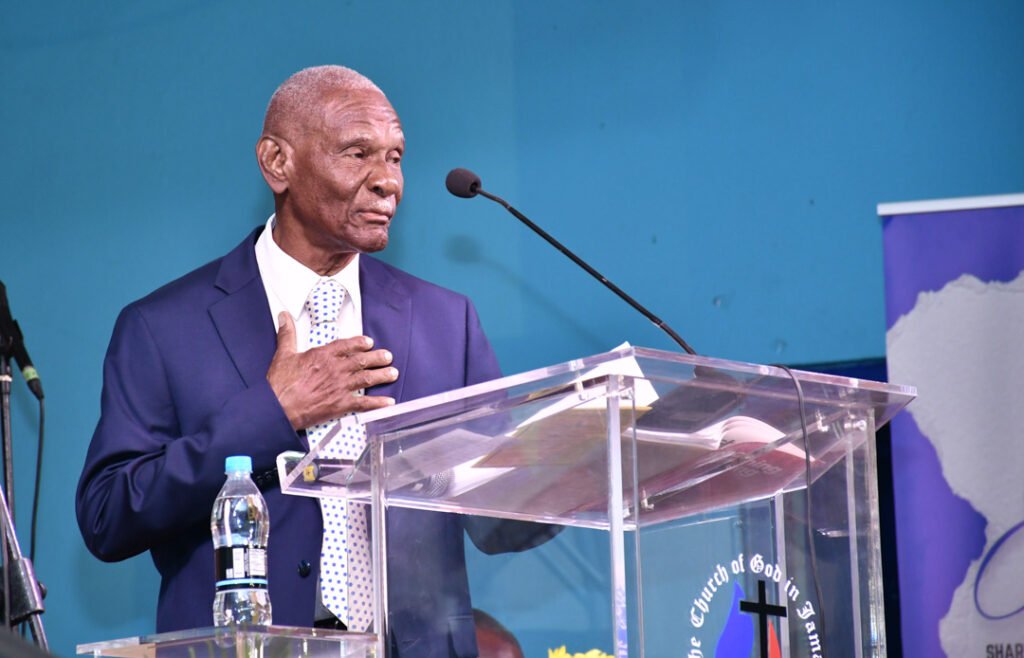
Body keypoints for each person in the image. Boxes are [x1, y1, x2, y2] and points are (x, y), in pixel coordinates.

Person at [76, 65, 551, 658]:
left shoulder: (444, 322)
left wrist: (575, 469)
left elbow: (498, 522)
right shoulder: (164, 327)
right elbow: (107, 515)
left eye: (396, 157)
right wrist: (271, 411)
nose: (389, 182)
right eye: (358, 153)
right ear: (278, 163)